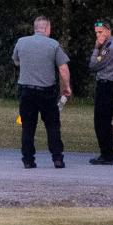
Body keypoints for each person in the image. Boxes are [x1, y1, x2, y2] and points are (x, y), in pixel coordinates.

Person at [11, 15, 72, 169]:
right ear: (47, 28)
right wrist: (66, 87)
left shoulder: (21, 42)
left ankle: (28, 159)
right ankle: (57, 158)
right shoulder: (53, 45)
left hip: (26, 91)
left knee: (28, 126)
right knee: (52, 125)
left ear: (35, 28)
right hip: (47, 92)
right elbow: (63, 69)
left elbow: (16, 61)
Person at [89, 19, 113, 165]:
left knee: (102, 122)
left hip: (107, 86)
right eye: (96, 33)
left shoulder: (108, 48)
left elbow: (93, 65)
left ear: (108, 31)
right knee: (103, 121)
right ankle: (106, 154)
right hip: (107, 86)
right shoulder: (108, 45)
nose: (98, 35)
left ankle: (107, 155)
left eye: (101, 32)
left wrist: (96, 47)